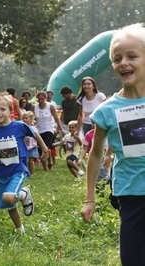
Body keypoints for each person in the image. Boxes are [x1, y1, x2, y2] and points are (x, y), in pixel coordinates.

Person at [80, 23, 145, 266]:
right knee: (132, 258)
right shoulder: (107, 110)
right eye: (117, 58)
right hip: (130, 193)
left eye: (132, 56)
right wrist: (90, 198)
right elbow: (96, 155)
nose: (123, 63)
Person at [0, 92, 49, 233]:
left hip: (18, 170)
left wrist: (45, 149)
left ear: (10, 111)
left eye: (2, 109)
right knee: (10, 205)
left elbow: (35, 133)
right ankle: (20, 230)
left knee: (8, 197)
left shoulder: (19, 126)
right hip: (1, 172)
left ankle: (24, 193)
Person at [31, 91, 63, 171]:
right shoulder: (34, 107)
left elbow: (56, 118)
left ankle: (50, 163)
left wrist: (60, 129)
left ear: (45, 98)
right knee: (40, 149)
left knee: (46, 147)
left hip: (49, 128)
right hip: (39, 129)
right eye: (39, 99)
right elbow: (30, 116)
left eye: (42, 99)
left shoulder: (50, 106)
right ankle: (45, 165)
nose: (40, 101)